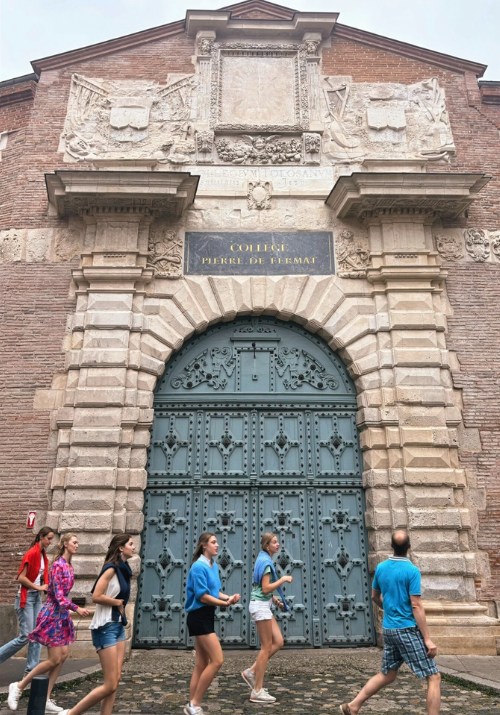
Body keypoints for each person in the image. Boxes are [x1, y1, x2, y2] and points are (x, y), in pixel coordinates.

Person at [339, 529, 441, 715]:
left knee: (388, 674)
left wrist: (389, 608)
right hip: (406, 630)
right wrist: (427, 639)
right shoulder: (412, 570)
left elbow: (375, 596)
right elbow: (416, 605)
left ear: (391, 547)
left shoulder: (381, 568)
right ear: (409, 547)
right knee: (434, 676)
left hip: (389, 629)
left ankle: (353, 706)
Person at [7, 533, 90, 713]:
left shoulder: (69, 566)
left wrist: (70, 609)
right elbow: (59, 596)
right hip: (53, 614)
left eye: (78, 542)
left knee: (64, 654)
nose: (77, 545)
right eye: (75, 542)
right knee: (54, 659)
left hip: (61, 615)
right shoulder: (58, 566)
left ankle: (46, 697)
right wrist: (76, 608)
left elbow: (63, 595)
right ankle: (19, 686)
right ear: (66, 544)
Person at [56, 533, 135, 715]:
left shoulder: (124, 569)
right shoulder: (111, 568)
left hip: (117, 627)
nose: (134, 546)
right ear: (121, 548)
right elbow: (96, 596)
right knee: (109, 684)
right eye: (130, 544)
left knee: (115, 679)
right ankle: (70, 714)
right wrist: (117, 603)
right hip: (105, 627)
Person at [184, 532, 240, 715]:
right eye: (213, 542)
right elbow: (202, 596)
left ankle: (191, 706)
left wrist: (229, 598)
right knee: (217, 660)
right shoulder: (198, 567)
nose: (217, 545)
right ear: (204, 545)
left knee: (201, 664)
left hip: (206, 616)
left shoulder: (212, 565)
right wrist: (223, 604)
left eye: (217, 542)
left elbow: (214, 592)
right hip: (199, 616)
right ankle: (195, 703)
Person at [241, 532, 293, 704]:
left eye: (277, 542)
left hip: (264, 605)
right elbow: (264, 588)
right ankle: (257, 691)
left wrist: (274, 600)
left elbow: (261, 589)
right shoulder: (267, 563)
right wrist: (283, 579)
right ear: (267, 545)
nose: (277, 544)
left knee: (278, 641)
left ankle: (251, 672)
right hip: (260, 607)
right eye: (274, 542)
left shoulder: (263, 559)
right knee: (266, 648)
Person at [0, 527, 55, 679]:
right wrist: (38, 586)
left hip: (36, 598)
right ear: (41, 537)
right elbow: (21, 578)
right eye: (49, 538)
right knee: (26, 636)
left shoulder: (43, 556)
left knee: (36, 634)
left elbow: (41, 577)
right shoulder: (32, 553)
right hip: (26, 598)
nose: (50, 542)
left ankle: (31, 671)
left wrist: (46, 588)